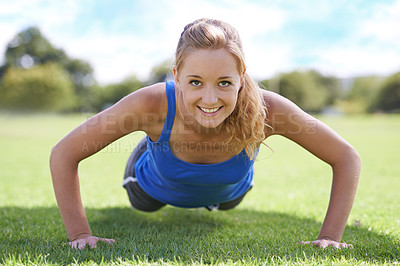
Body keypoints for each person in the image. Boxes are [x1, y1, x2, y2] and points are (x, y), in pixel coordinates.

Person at [50, 18, 361, 250]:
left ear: (242, 78)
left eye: (224, 83)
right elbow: (64, 153)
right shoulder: (151, 103)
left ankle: (212, 194)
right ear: (177, 76)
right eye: (195, 82)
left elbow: (346, 157)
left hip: (228, 191)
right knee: (145, 206)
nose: (210, 99)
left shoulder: (269, 110)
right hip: (152, 185)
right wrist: (80, 235)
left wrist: (329, 238)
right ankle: (151, 149)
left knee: (225, 202)